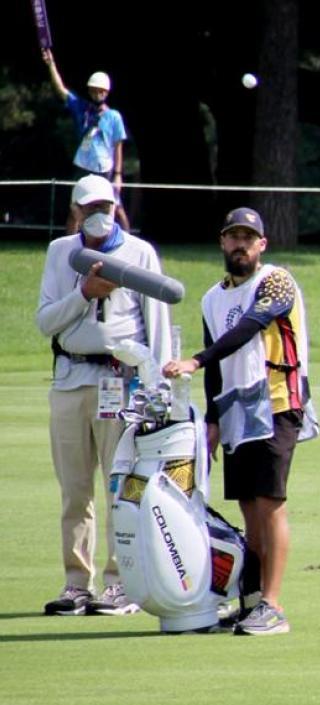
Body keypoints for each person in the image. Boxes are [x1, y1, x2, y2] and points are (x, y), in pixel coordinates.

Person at [162, 207, 319, 636]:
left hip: (277, 404)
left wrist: (194, 359)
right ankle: (250, 602)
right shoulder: (213, 298)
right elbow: (217, 367)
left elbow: (250, 328)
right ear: (222, 242)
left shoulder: (276, 280)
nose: (240, 245)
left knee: (270, 506)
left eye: (248, 238)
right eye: (233, 237)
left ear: (262, 245)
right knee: (250, 511)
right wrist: (212, 419)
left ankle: (273, 604)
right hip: (236, 412)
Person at [36, 174, 171, 617]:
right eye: (89, 207)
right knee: (75, 491)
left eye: (106, 207)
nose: (98, 214)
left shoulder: (139, 253)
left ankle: (121, 584)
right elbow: (46, 321)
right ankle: (77, 583)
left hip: (121, 382)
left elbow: (158, 325)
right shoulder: (61, 253)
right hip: (71, 379)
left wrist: (159, 389)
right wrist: (83, 293)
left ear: (116, 208)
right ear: (75, 211)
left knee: (121, 487)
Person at [41, 48, 132, 234]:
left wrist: (118, 174)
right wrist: (51, 65)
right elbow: (61, 90)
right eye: (94, 90)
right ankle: (69, 245)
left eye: (101, 91)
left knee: (117, 208)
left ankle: (128, 242)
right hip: (83, 165)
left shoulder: (114, 116)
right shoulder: (82, 109)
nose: (97, 93)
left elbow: (118, 146)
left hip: (105, 168)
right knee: (75, 208)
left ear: (106, 92)